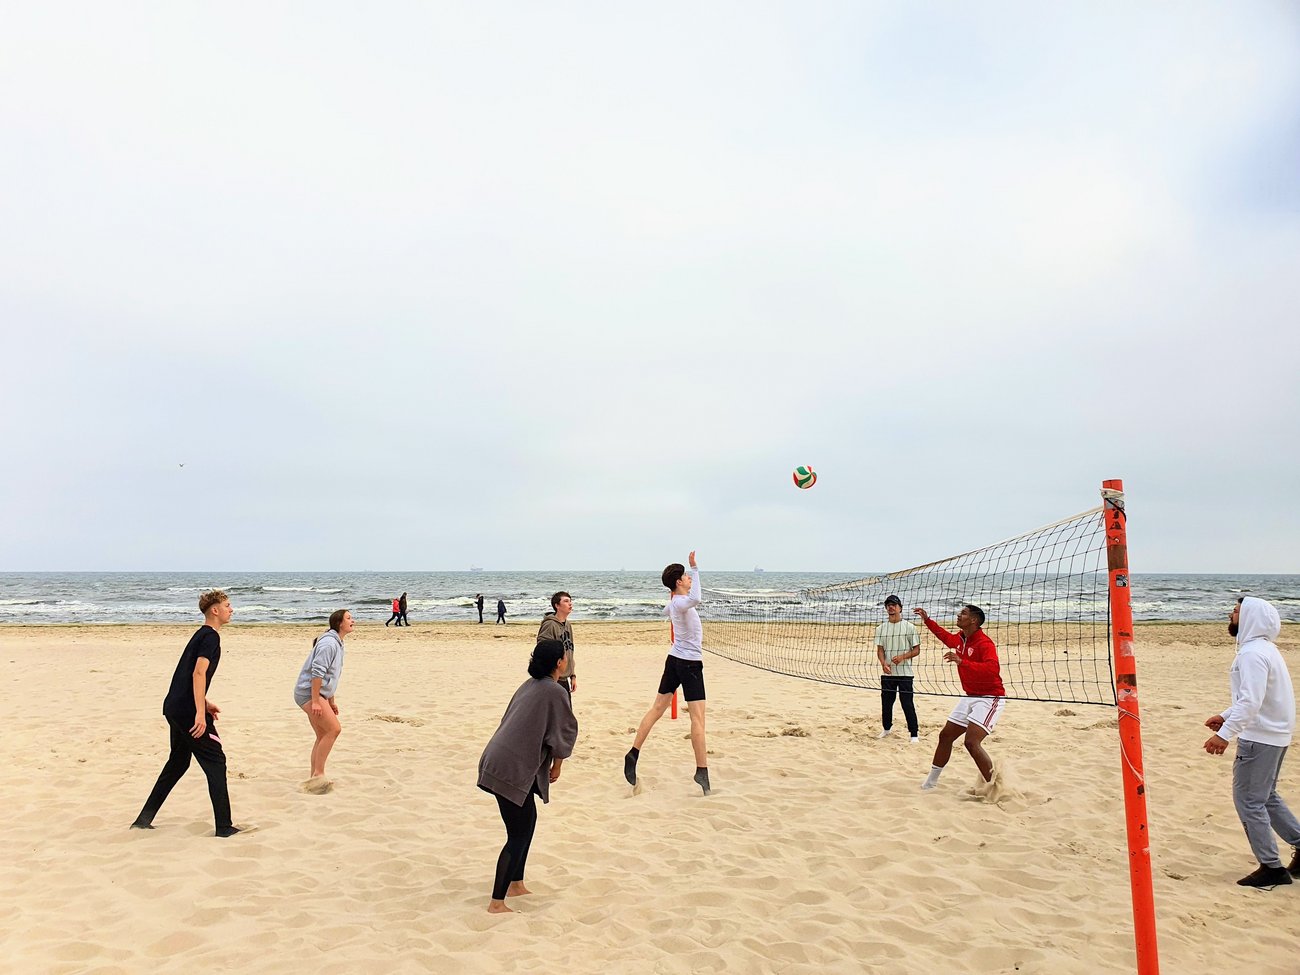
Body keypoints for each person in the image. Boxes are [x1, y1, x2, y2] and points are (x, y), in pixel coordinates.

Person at [1203, 596, 1300, 888]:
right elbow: (1255, 699)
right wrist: (1224, 715)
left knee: (1248, 800)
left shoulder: (1252, 654)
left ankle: (1271, 867)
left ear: (1250, 618)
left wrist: (1224, 734)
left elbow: (1251, 702)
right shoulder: (1265, 650)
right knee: (1265, 796)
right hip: (1275, 734)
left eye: (1235, 611)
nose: (1230, 615)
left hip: (1260, 738)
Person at [131, 589, 243, 837]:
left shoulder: (201, 635)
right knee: (216, 761)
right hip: (186, 711)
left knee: (178, 763)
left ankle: (143, 820)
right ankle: (224, 827)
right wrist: (200, 713)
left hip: (175, 706)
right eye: (227, 605)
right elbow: (197, 673)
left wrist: (205, 701)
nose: (231, 609)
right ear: (214, 610)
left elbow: (187, 676)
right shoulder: (210, 637)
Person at [477, 639, 578, 914]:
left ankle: (516, 883)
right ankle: (497, 902)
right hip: (509, 765)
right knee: (518, 834)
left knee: (528, 821)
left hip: (496, 757)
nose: (567, 659)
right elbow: (564, 733)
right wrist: (557, 766)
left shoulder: (530, 685)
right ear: (559, 663)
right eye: (565, 656)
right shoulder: (555, 691)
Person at [624, 550, 711, 795]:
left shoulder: (674, 603)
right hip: (690, 664)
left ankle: (633, 753)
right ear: (678, 582)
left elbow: (668, 609)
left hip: (674, 660)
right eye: (685, 576)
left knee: (657, 708)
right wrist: (695, 567)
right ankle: (701, 771)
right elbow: (696, 599)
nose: (689, 578)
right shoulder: (682, 602)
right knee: (698, 719)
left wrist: (672, 595)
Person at [914, 604, 1004, 791]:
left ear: (973, 620)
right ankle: (930, 783)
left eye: (963, 613)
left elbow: (992, 669)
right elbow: (944, 636)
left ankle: (994, 788)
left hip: (990, 697)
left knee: (971, 742)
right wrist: (927, 620)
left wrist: (963, 662)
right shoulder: (961, 639)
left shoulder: (984, 644)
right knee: (945, 736)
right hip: (970, 696)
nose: (958, 615)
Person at [294, 609, 354, 783]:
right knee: (334, 729)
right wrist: (315, 702)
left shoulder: (338, 642)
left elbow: (330, 677)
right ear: (339, 623)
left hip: (318, 694)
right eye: (349, 618)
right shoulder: (329, 644)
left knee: (322, 735)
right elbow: (317, 673)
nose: (353, 621)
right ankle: (319, 774)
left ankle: (314, 776)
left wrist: (330, 701)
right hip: (308, 693)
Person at [876, 595, 921, 742]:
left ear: (900, 608)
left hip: (905, 673)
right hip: (888, 673)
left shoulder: (909, 627)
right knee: (886, 703)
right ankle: (886, 729)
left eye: (894, 605)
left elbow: (916, 650)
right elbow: (880, 650)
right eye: (888, 605)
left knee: (907, 703)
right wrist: (883, 664)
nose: (891, 607)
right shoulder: (881, 628)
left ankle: (914, 734)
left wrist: (903, 657)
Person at [537, 591, 576, 695]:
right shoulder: (549, 624)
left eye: (570, 601)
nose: (570, 604)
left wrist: (572, 675)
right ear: (557, 605)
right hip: (553, 678)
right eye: (566, 601)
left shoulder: (568, 625)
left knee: (565, 710)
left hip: (564, 678)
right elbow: (542, 649)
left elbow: (570, 651)